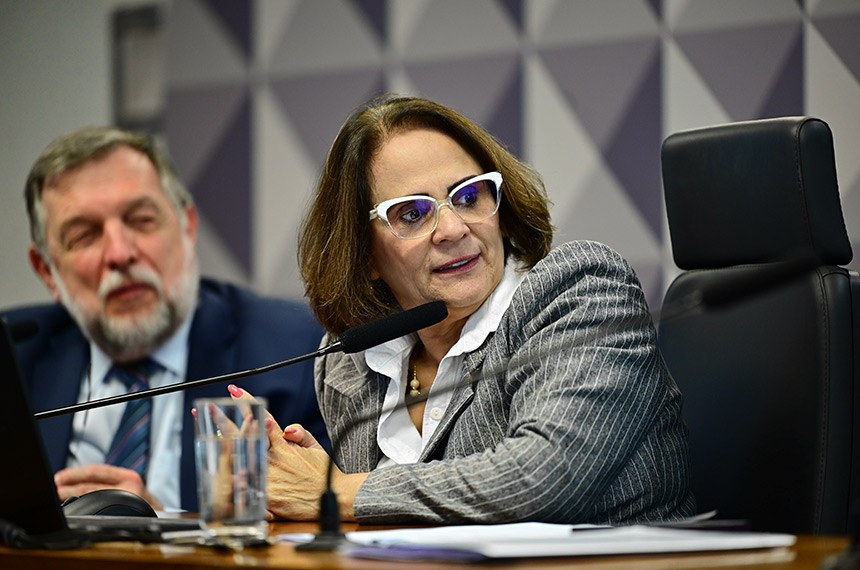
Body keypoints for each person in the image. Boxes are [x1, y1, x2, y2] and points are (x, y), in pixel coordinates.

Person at [229, 94, 695, 524]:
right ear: (365, 254)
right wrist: (312, 496)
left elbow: (541, 481)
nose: (452, 228)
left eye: (470, 196)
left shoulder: (583, 292)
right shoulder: (349, 361)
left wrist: (338, 492)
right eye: (412, 213)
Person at [2, 127, 327, 512]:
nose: (120, 254)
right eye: (84, 235)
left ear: (187, 226)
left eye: (141, 220)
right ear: (46, 271)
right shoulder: (14, 358)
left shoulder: (296, 352)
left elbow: (319, 524)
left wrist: (159, 526)